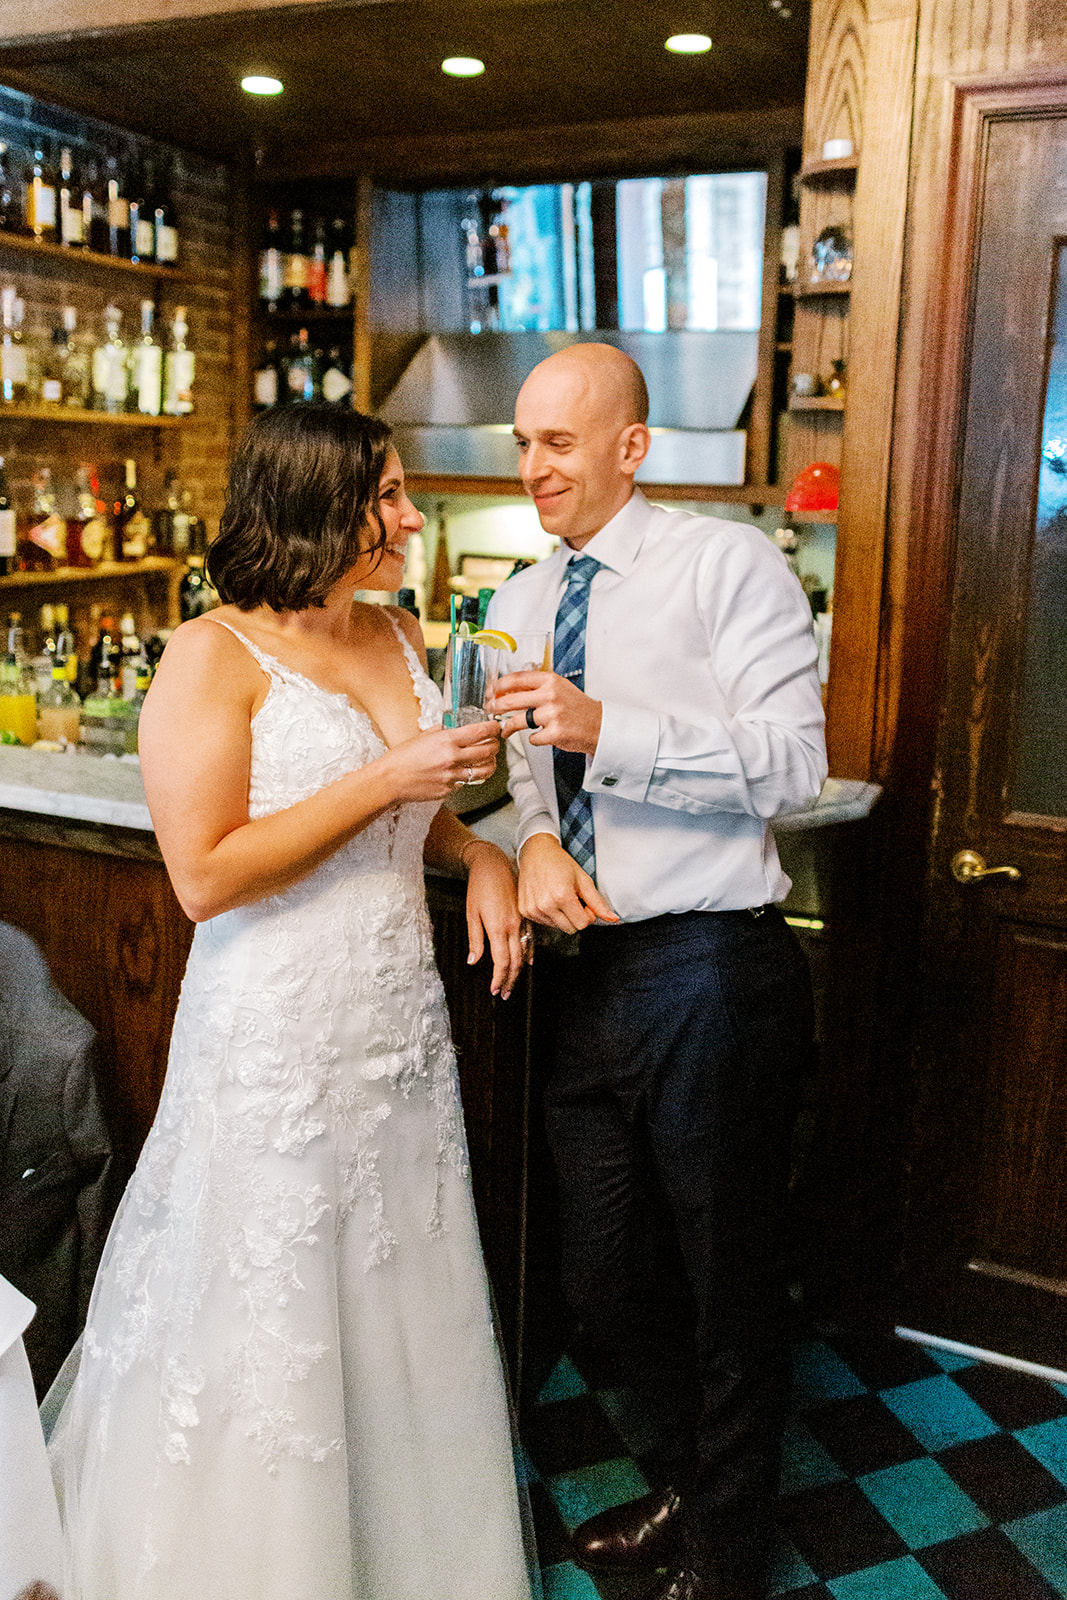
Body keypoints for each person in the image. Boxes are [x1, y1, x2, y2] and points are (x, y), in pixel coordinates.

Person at [47, 403, 536, 1600]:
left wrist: (478, 857)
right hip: (273, 1034)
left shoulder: (393, 631)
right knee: (260, 1306)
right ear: (315, 503)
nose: (410, 515)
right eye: (387, 494)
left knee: (395, 1292)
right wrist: (389, 776)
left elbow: (420, 824)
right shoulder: (207, 656)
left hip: (395, 1036)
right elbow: (204, 873)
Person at [488, 343, 827, 1600]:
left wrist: (603, 728)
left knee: (726, 1277)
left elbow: (795, 764)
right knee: (605, 1271)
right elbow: (520, 774)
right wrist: (527, 836)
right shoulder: (519, 599)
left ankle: (728, 1553)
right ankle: (692, 1479)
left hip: (711, 967)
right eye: (522, 443)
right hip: (587, 974)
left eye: (557, 443)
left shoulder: (723, 567)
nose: (532, 468)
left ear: (629, 447)